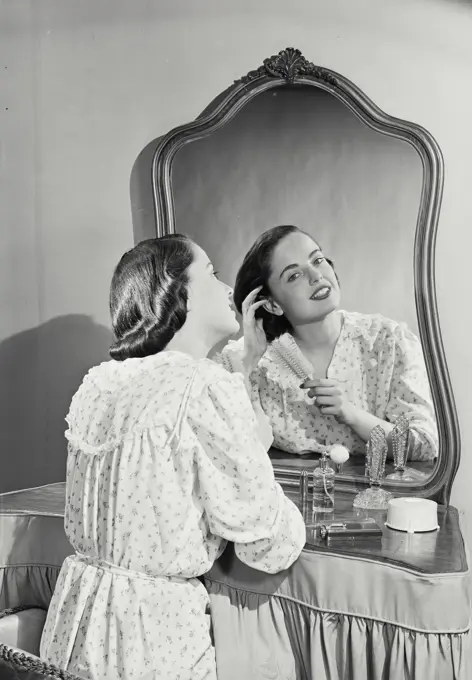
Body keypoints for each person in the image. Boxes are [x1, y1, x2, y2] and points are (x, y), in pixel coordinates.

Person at [39, 235, 306, 680]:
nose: (228, 291)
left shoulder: (100, 385)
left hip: (76, 619)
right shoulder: (204, 386)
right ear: (176, 290)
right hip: (153, 636)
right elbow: (268, 542)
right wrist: (264, 469)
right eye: (213, 273)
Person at [215, 225, 438, 461]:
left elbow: (424, 446)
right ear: (271, 304)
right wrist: (248, 363)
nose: (317, 275)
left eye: (318, 260)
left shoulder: (389, 341)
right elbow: (228, 455)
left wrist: (352, 414)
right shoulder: (242, 363)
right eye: (294, 275)